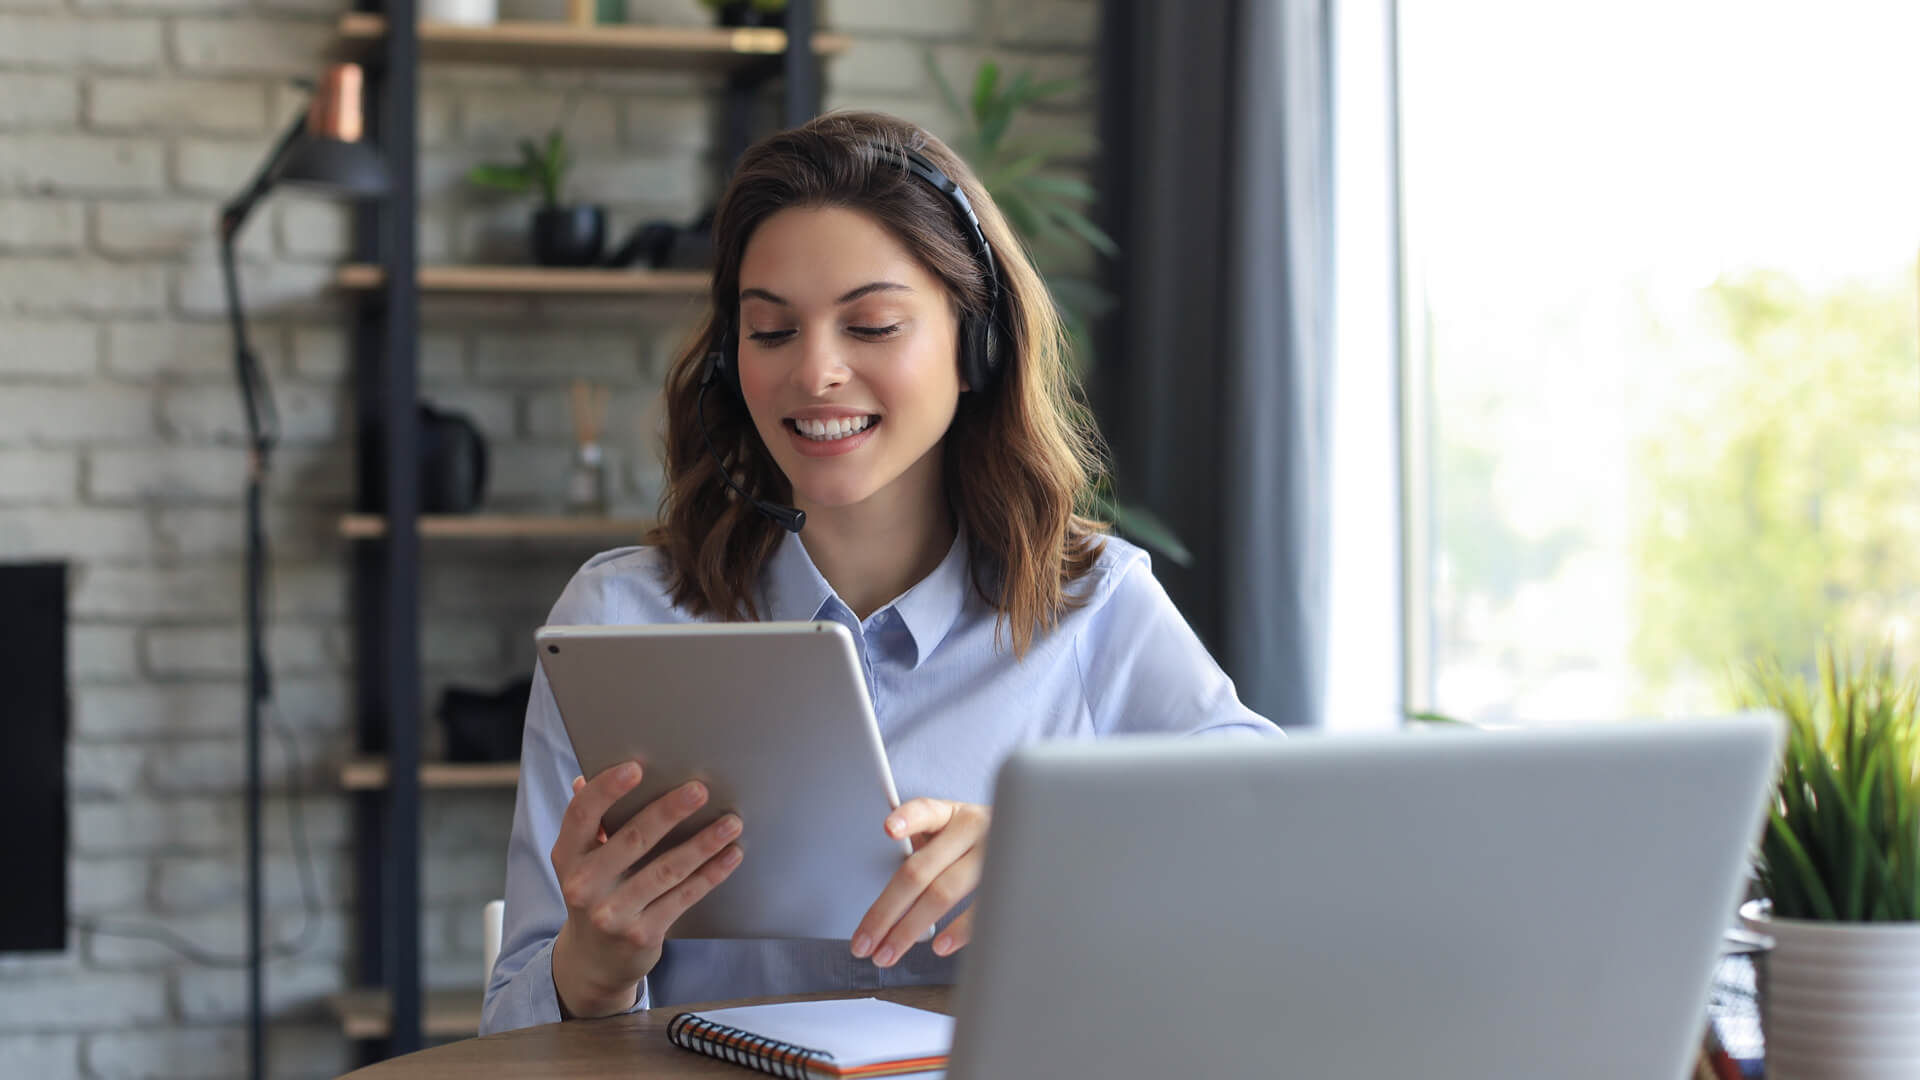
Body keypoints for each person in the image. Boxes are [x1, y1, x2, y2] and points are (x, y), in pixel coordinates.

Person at [480, 109, 1278, 1034]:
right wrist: (594, 968)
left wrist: (1051, 849)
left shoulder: (1092, 604)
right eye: (771, 332)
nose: (815, 372)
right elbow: (515, 1026)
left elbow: (1264, 834)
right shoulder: (617, 616)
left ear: (973, 344)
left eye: (872, 325)